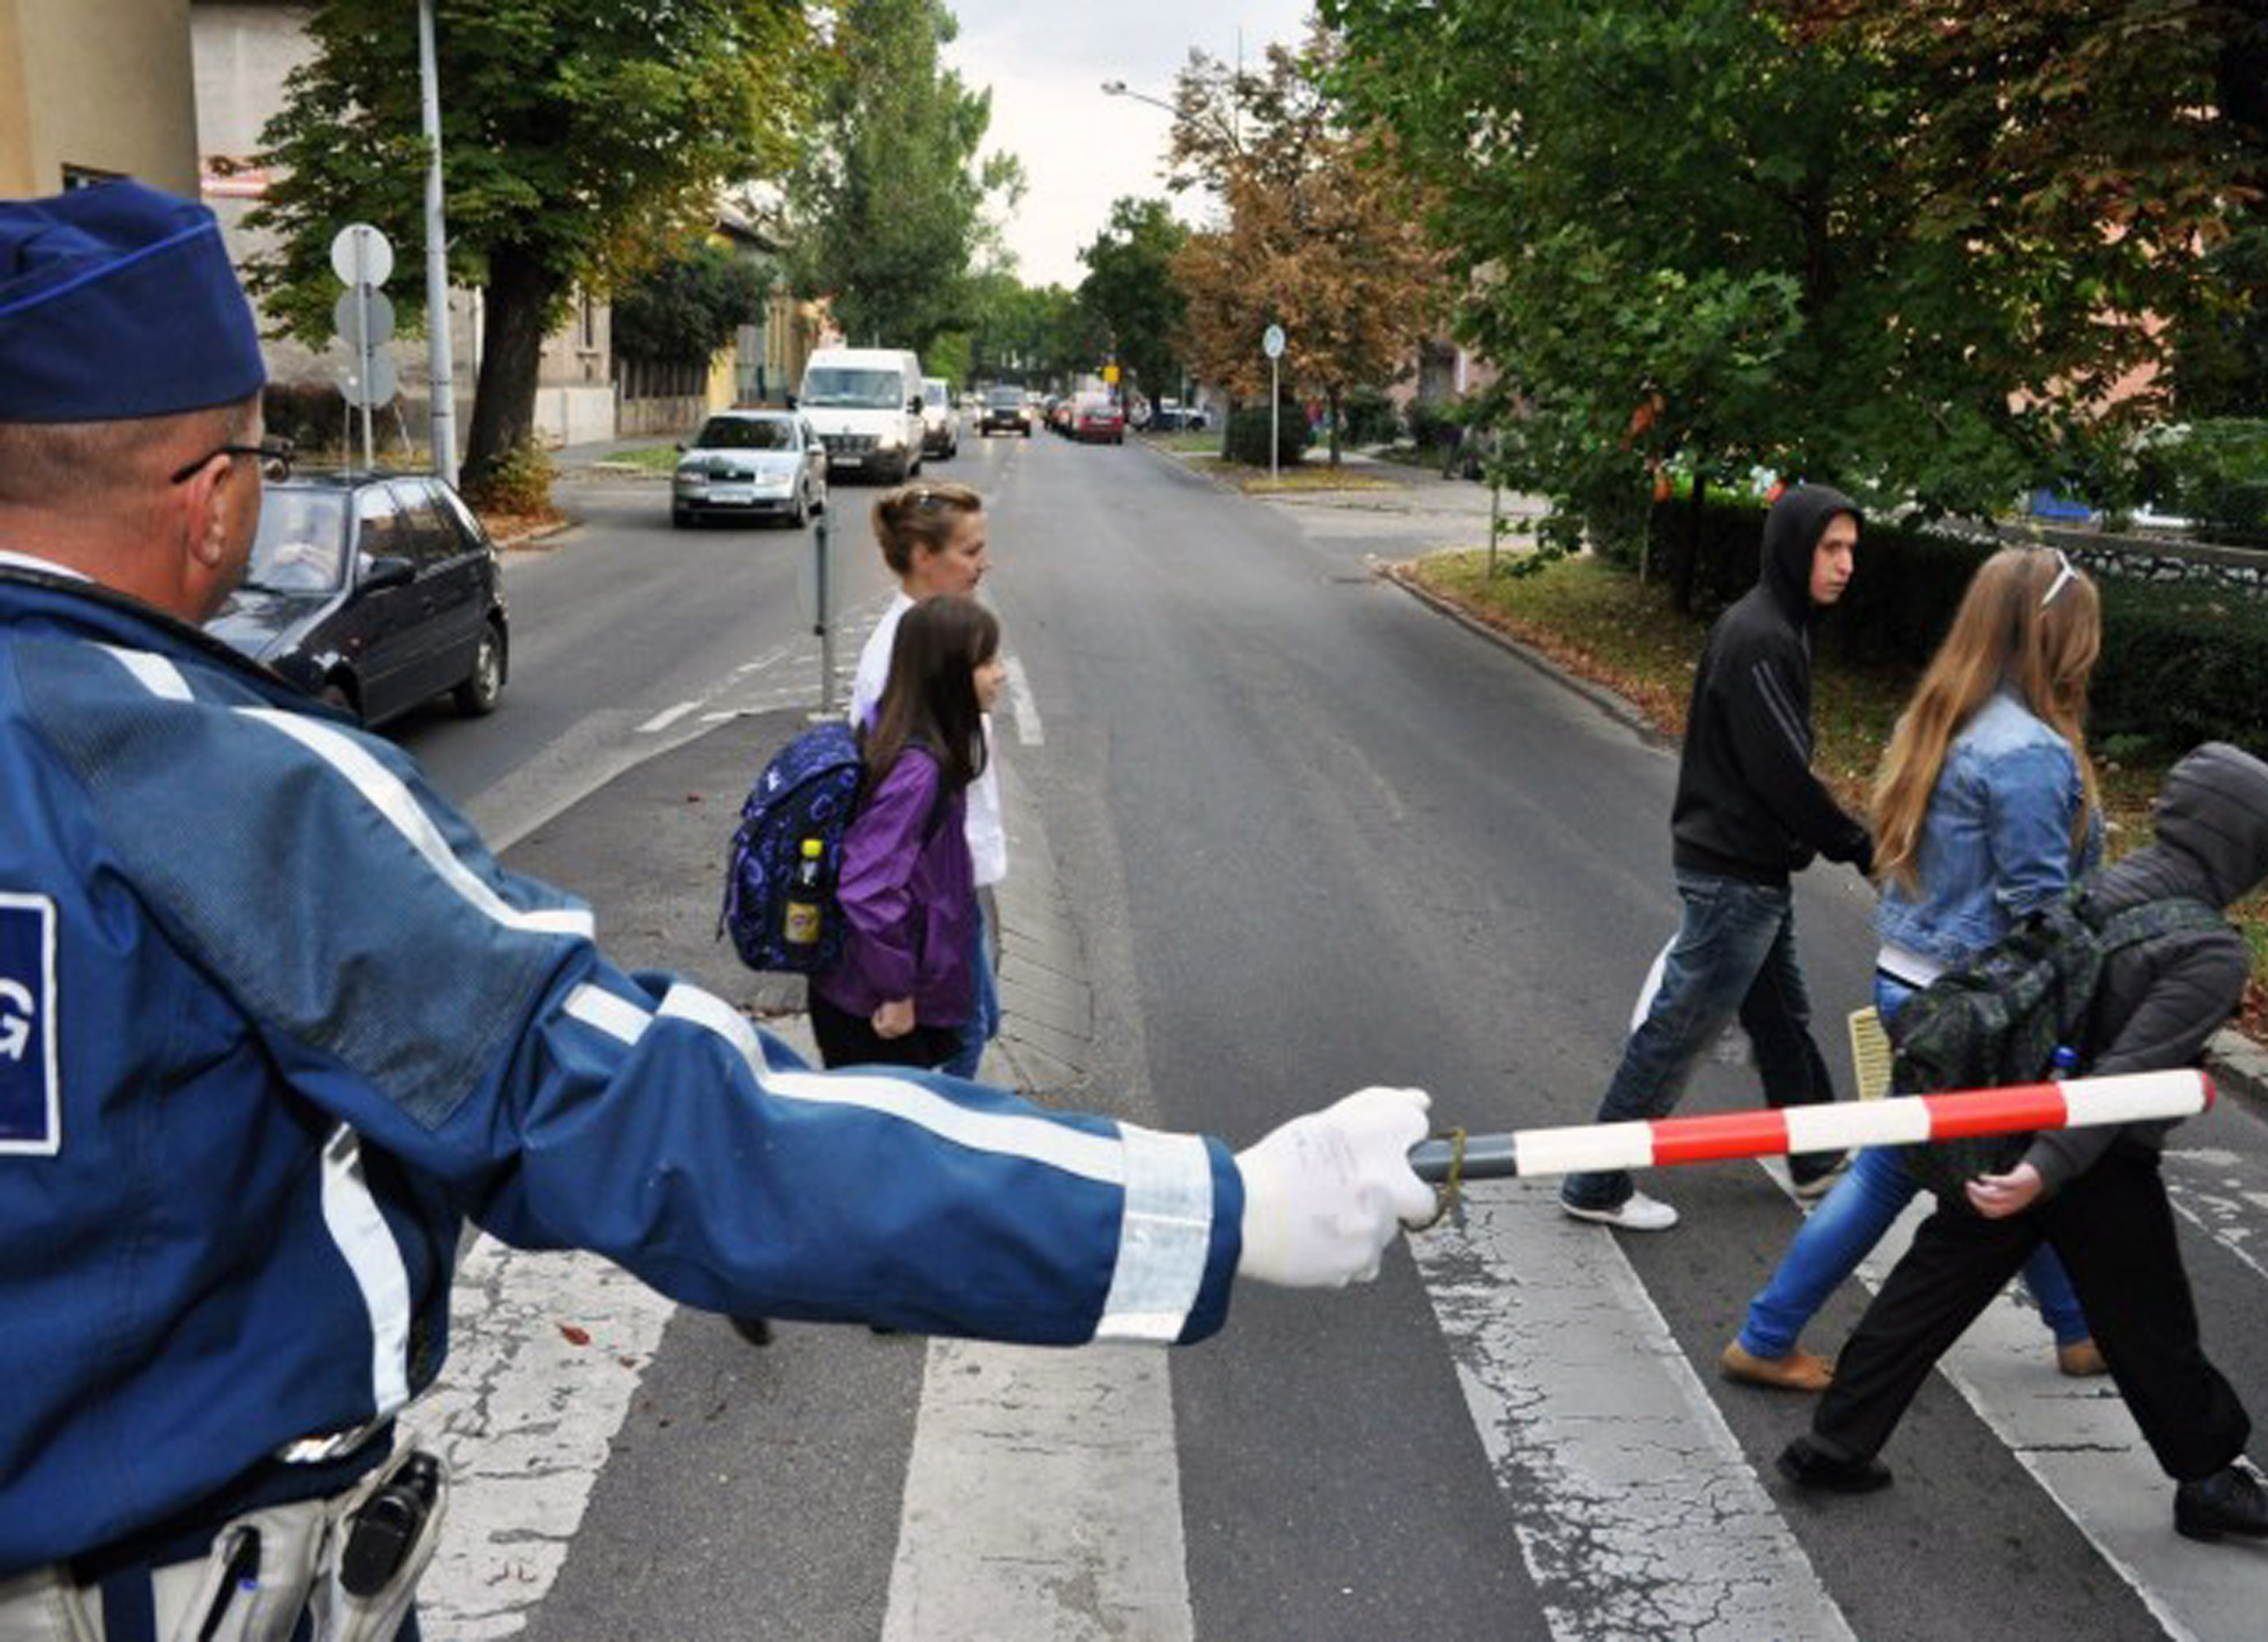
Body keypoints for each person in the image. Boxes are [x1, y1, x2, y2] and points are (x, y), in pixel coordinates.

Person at [0, 181, 1435, 1639]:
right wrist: (1218, 1207)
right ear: (213, 494)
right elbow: (670, 1128)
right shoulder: (226, 789)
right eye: (260, 451)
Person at [1777, 744, 2268, 1543]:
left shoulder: (2110, 885)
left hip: (2009, 1115)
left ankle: (1834, 1443)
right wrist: (2045, 1169)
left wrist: (2024, 1156)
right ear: (2242, 844)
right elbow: (2126, 1073)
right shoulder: (2207, 948)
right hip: (2090, 1155)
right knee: (2150, 1314)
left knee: (1931, 1283)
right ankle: (2209, 1482)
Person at [1720, 547, 2108, 1392]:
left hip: (1910, 976)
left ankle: (2078, 1328)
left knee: (2009, 1163)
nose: (2090, 649)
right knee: (1899, 1170)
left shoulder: (1936, 717)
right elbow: (2041, 910)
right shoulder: (2029, 750)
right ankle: (1767, 1331)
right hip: (1975, 1003)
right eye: (2083, 631)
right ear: (2051, 633)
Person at [1560, 483, 1872, 1232]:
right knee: (1680, 1028)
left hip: (1748, 868)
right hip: (1735, 874)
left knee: (1783, 1021)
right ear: (1795, 548)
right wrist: (1857, 846)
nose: (1845, 565)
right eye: (1831, 549)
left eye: (1852, 550)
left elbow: (1770, 765)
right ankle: (1596, 1182)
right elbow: (1777, 774)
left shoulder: (1779, 625)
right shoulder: (1763, 634)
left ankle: (1817, 1158)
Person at [846, 480, 1004, 1081]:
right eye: (970, 551)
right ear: (922, 557)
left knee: (979, 1023)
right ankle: (941, 1146)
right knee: (960, 1037)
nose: (983, 563)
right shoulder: (904, 652)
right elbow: (886, 831)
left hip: (950, 884)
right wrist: (896, 979)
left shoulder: (936, 632)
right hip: (927, 897)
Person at [810, 596, 1001, 1071]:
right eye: (986, 661)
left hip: (868, 992)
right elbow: (868, 885)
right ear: (948, 673)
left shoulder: (897, 730)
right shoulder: (918, 771)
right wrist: (896, 990)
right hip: (874, 1007)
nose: (1001, 673)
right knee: (876, 1139)